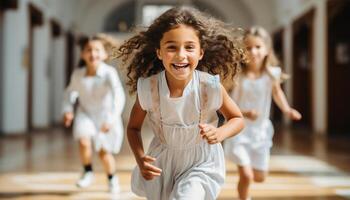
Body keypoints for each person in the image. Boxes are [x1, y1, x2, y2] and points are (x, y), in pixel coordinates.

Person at [116, 7, 245, 200]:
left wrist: (220, 133)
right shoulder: (148, 89)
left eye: (189, 47)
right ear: (159, 52)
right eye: (171, 47)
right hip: (162, 163)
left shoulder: (210, 86)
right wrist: (141, 158)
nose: (181, 55)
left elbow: (237, 118)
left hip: (201, 162)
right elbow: (133, 128)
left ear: (201, 53)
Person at [224, 26, 302, 200]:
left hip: (260, 132)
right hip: (239, 131)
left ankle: (249, 172)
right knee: (247, 175)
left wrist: (287, 109)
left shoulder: (272, 74)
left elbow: (277, 93)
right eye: (248, 47)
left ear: (266, 49)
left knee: (260, 177)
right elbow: (225, 101)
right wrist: (243, 112)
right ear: (242, 50)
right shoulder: (237, 75)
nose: (253, 51)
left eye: (258, 47)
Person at [62, 34, 125, 193]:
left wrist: (111, 118)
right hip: (85, 113)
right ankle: (87, 171)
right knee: (84, 141)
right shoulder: (78, 74)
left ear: (104, 54)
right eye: (88, 50)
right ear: (83, 54)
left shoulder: (109, 73)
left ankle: (112, 178)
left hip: (106, 116)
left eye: (97, 50)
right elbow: (70, 93)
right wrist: (68, 110)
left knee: (104, 152)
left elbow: (119, 95)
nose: (92, 53)